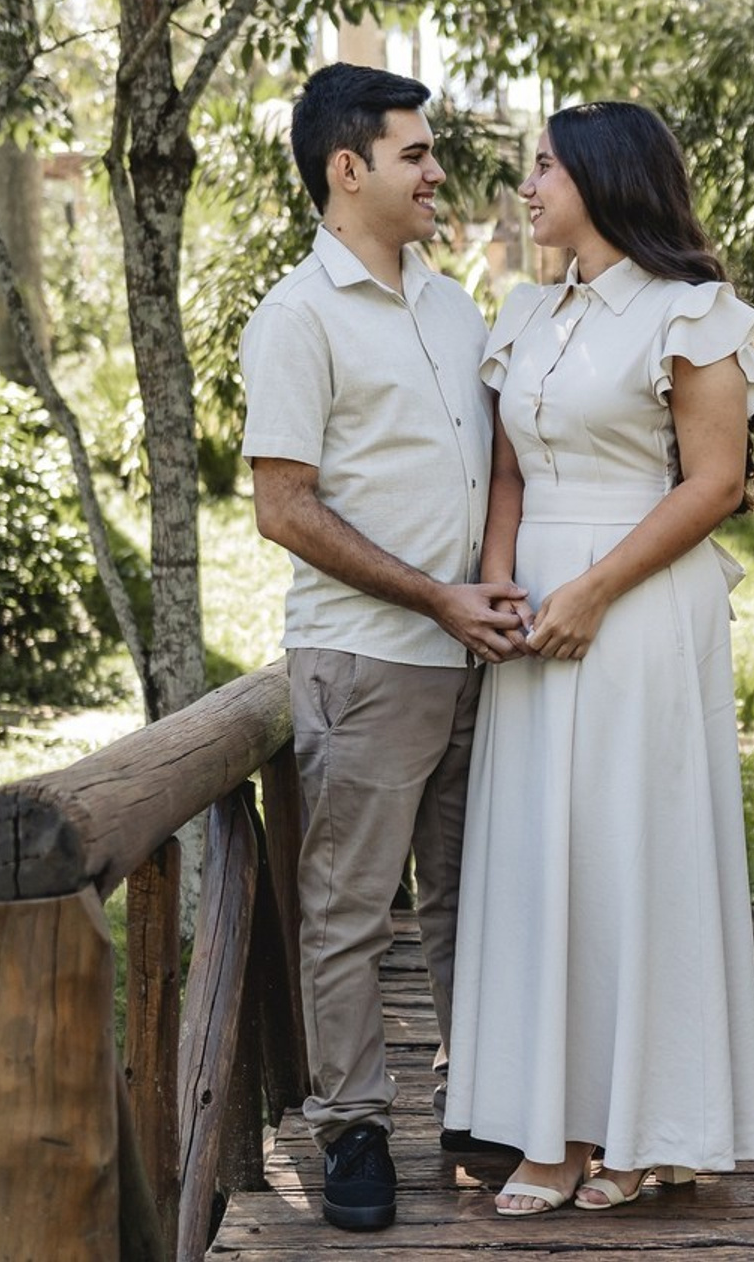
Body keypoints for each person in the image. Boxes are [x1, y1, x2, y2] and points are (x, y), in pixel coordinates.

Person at [442, 100, 754, 1216]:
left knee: (629, 855)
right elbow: (506, 475)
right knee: (540, 857)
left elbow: (712, 483)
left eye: (542, 167)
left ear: (601, 176)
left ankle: (634, 1125)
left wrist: (593, 588)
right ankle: (551, 1124)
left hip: (635, 606)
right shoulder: (526, 310)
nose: (526, 186)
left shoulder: (692, 315)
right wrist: (499, 588)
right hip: (533, 605)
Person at [239, 62, 528, 1233]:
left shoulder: (453, 305)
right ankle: (353, 1125)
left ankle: (480, 1102)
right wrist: (432, 599)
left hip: (477, 653)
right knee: (350, 906)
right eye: (416, 152)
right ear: (345, 168)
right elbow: (285, 506)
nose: (437, 170)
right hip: (367, 654)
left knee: (470, 897)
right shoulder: (293, 317)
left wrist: (486, 594)